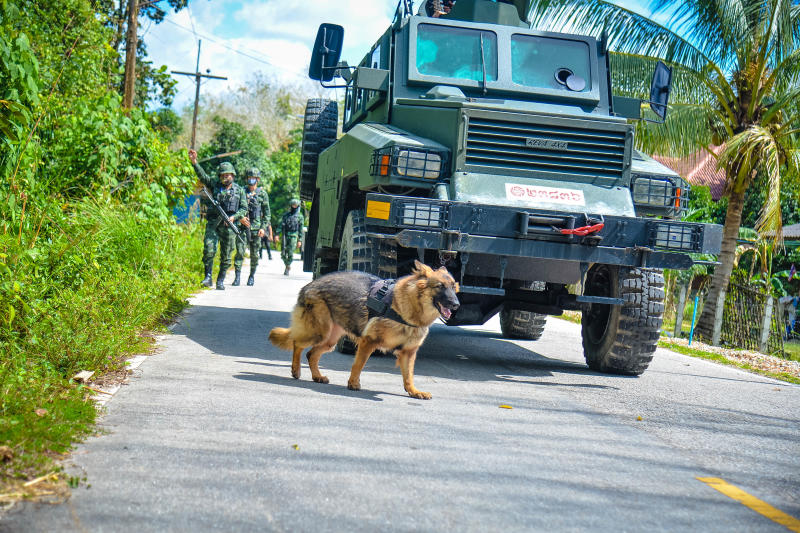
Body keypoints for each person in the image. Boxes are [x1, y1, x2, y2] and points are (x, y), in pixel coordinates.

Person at [189, 150, 247, 290]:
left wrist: (234, 217)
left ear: (232, 175)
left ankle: (220, 280)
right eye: (223, 175)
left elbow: (244, 209)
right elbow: (202, 176)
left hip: (229, 226)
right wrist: (194, 162)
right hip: (214, 224)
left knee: (226, 255)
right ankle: (208, 277)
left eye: (228, 175)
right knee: (209, 249)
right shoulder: (214, 186)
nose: (225, 177)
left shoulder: (239, 191)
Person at [232, 168, 271, 286]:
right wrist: (240, 218)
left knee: (254, 255)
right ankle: (237, 277)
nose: (251, 180)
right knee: (239, 252)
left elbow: (267, 213)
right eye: (249, 178)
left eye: (253, 178)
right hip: (242, 227)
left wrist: (263, 228)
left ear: (257, 179)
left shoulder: (262, 194)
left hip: (256, 229)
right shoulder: (240, 191)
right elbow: (234, 208)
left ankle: (251, 276)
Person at [280, 198, 304, 276]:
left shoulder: (300, 217)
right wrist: (276, 235)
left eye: (295, 205)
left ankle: (287, 267)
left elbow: (300, 229)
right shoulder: (286, 215)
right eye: (292, 205)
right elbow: (280, 225)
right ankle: (287, 264)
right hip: (285, 235)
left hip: (294, 236)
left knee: (290, 252)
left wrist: (299, 240)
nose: (294, 206)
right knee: (283, 253)